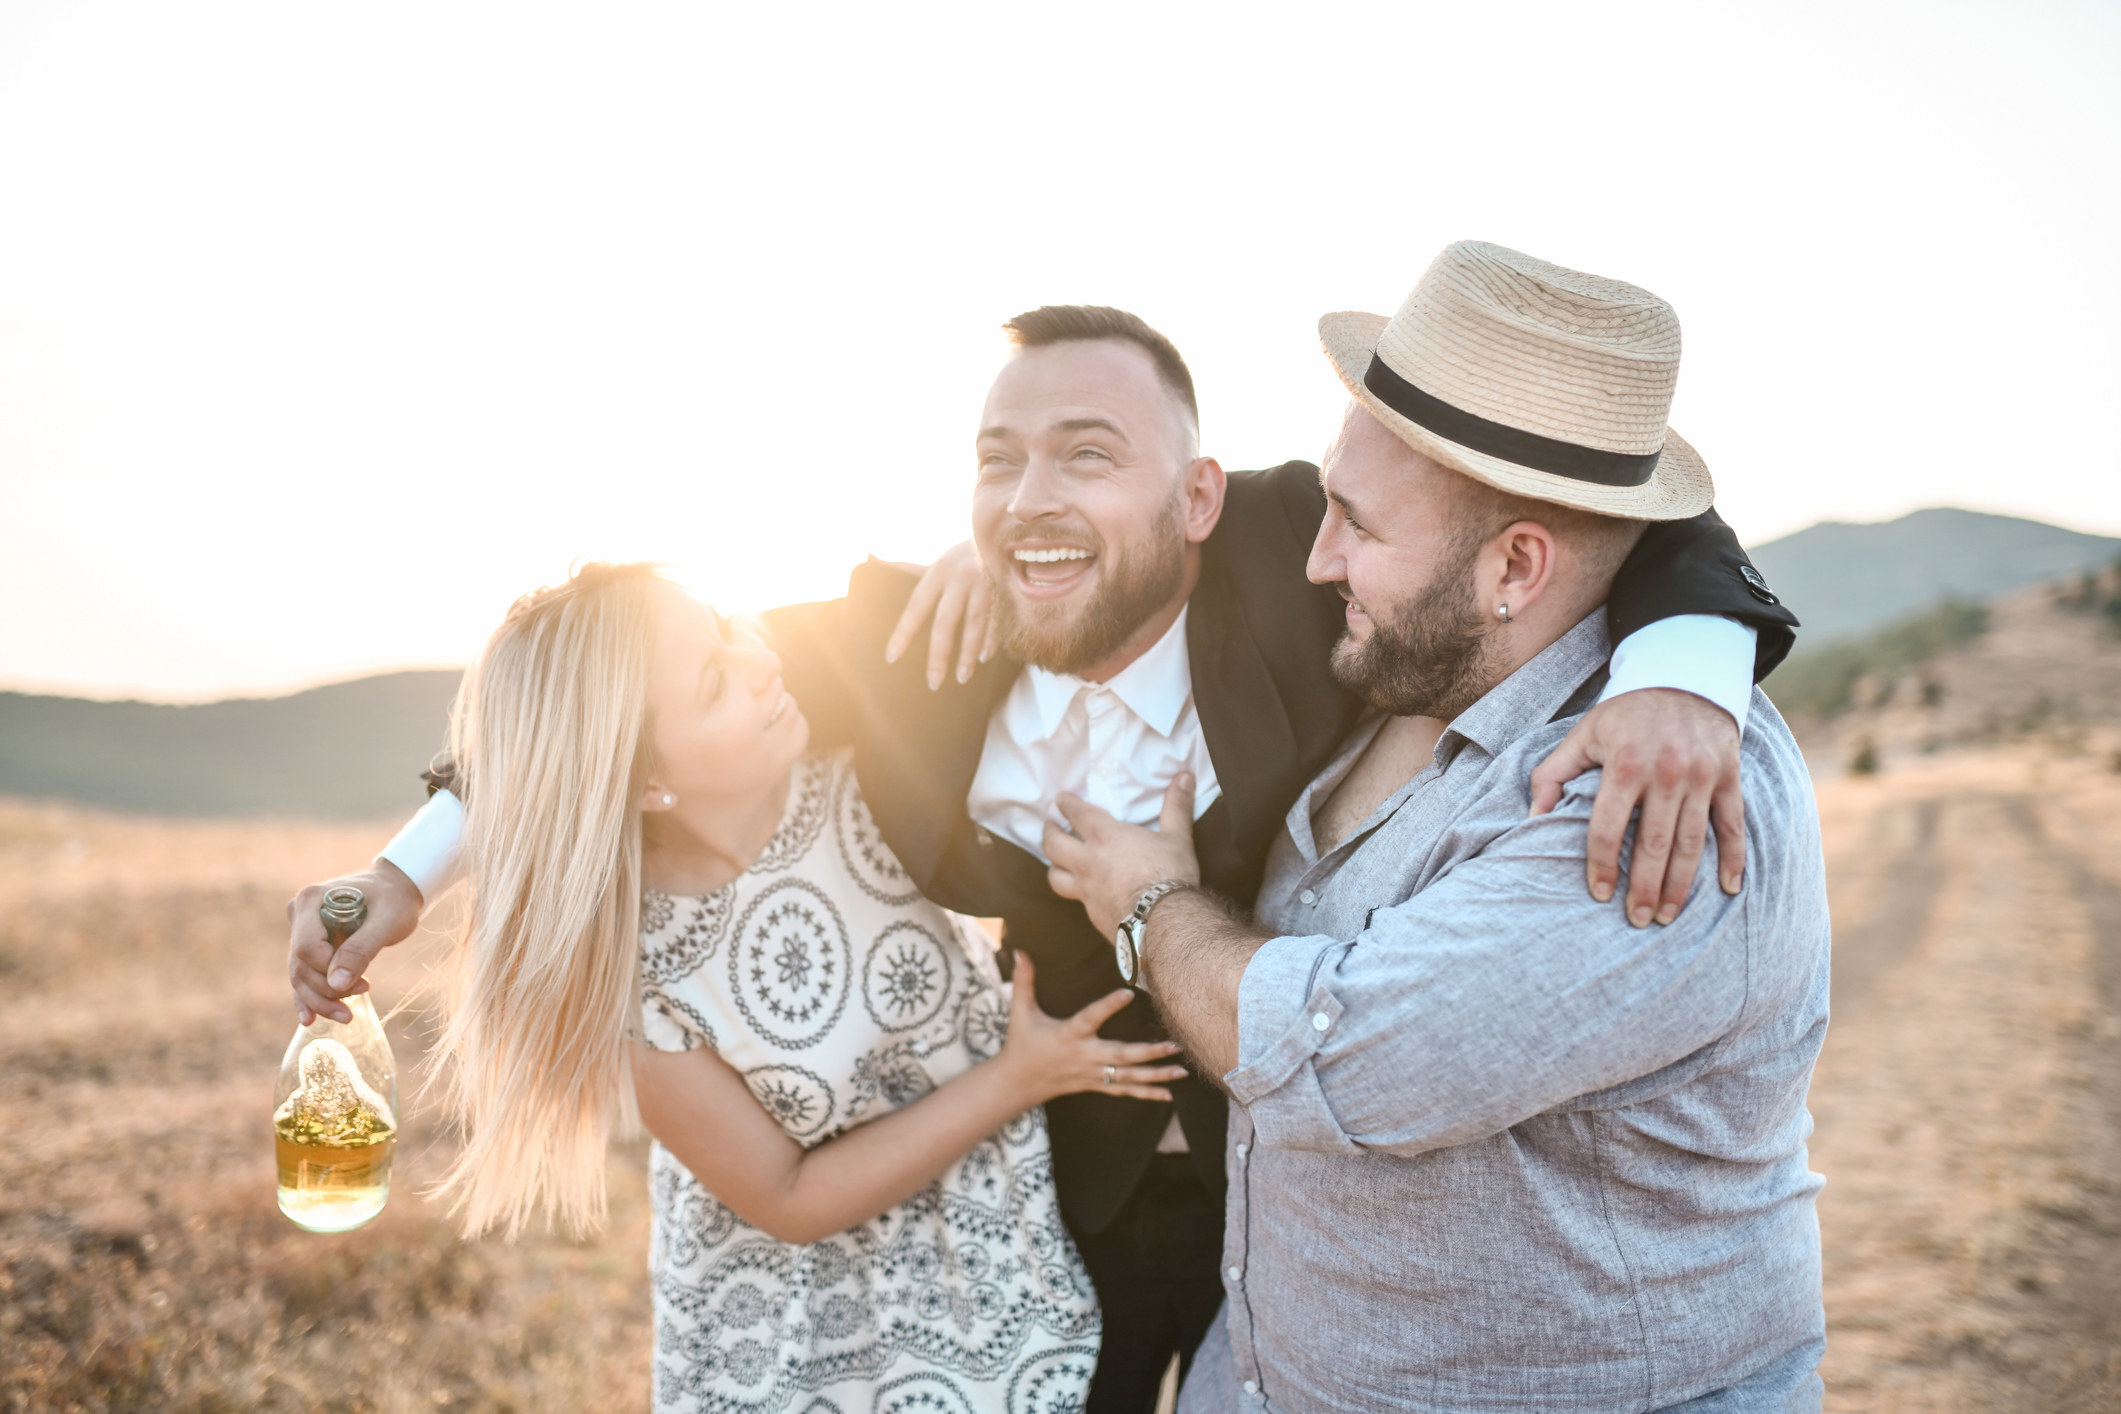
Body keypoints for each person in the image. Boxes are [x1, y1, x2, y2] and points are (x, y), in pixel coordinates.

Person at [288, 306, 1799, 1412]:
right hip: (1025, 1224)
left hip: (1274, 1218)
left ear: (1196, 498)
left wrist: (1684, 658)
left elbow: (1610, 518)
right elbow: (585, 708)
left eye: (1089, 454)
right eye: (1001, 461)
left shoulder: (1310, 556)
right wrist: (407, 873)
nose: (1034, 498)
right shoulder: (908, 645)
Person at [1047, 242, 1832, 1411]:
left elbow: (1334, 1060)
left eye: (1356, 524)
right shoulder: (1422, 651)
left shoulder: (1648, 802)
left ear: (1518, 565)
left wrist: (1148, 904)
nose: (1317, 559)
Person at [388, 562, 1188, 1412]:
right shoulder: (629, 970)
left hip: (977, 1242)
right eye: (713, 683)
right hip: (797, 1331)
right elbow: (787, 1198)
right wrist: (1017, 1078)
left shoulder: (865, 771)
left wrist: (976, 557)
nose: (763, 663)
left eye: (731, 630)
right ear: (648, 780)